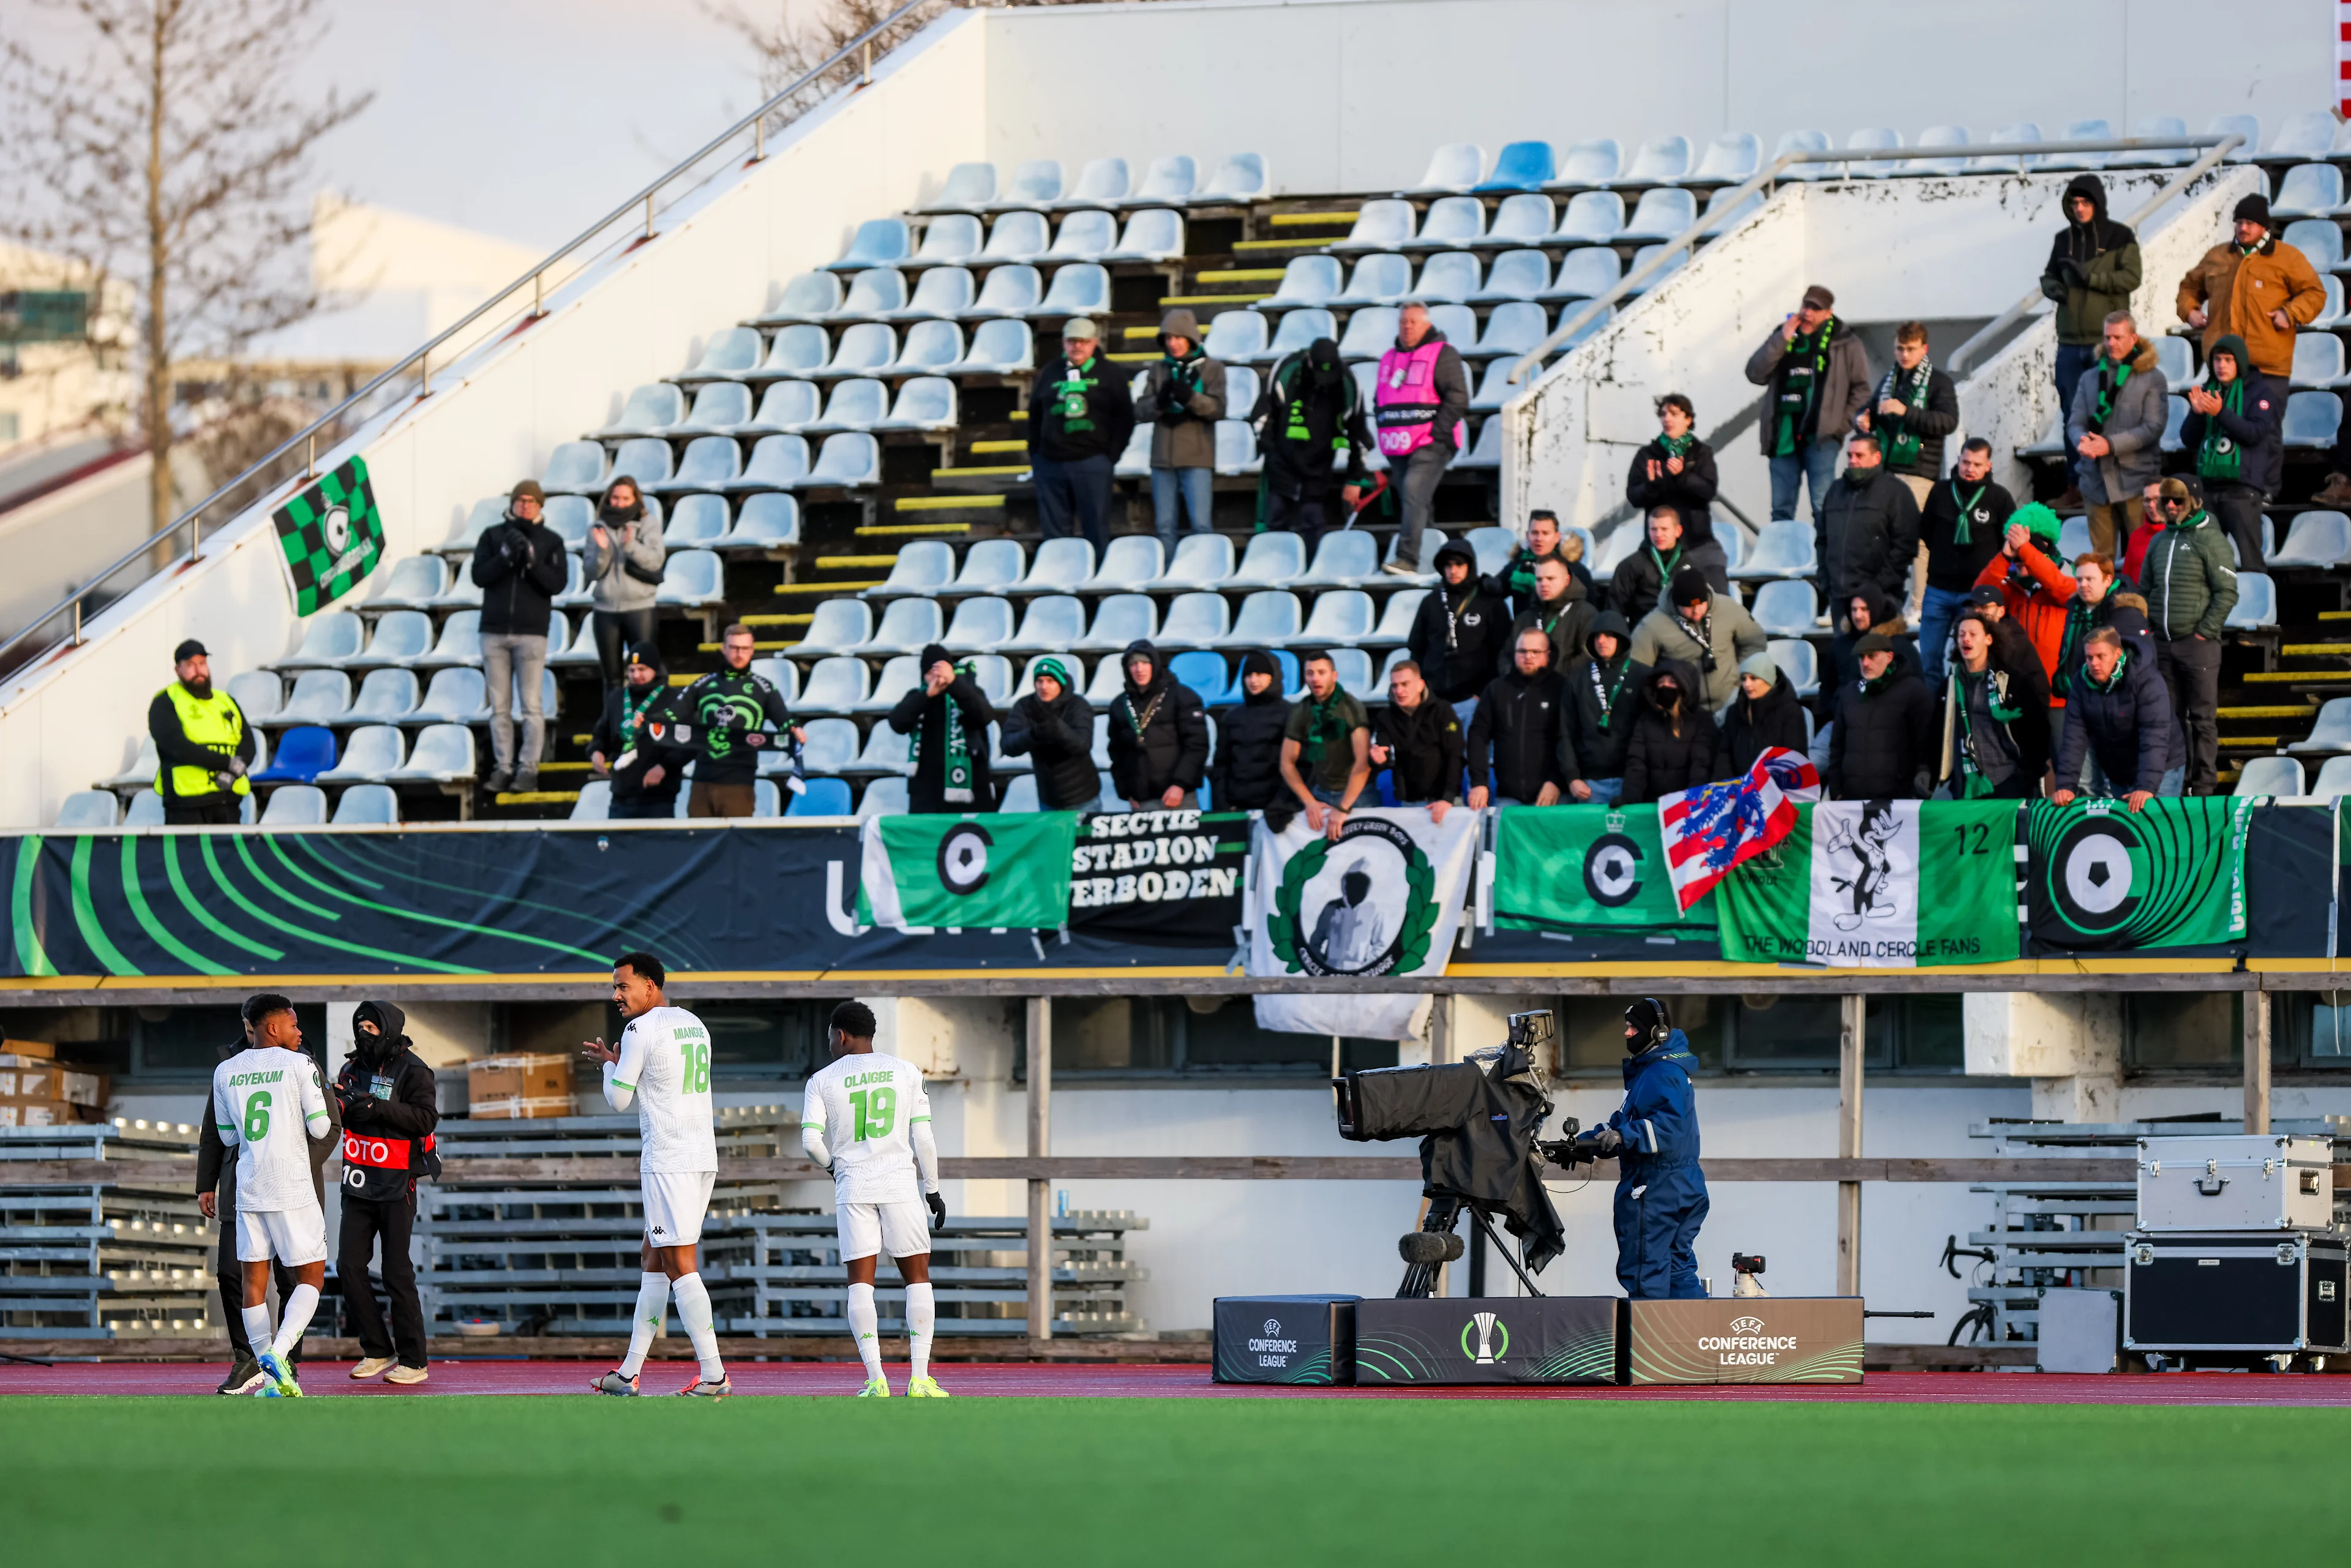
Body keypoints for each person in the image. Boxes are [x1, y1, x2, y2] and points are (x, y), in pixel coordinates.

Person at [584, 953, 730, 1397]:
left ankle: (714, 1374)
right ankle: (627, 1374)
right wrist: (621, 1059)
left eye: (622, 986)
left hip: (669, 1157)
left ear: (650, 985)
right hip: (702, 1153)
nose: (616, 995)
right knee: (654, 1255)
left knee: (679, 1264)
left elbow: (619, 1099)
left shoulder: (638, 1029)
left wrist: (609, 1065)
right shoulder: (694, 1023)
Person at [800, 1000, 950, 1398]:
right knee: (918, 1278)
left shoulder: (821, 1080)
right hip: (900, 1183)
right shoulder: (907, 1071)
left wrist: (834, 1167)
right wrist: (932, 1188)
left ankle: (876, 1379)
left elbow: (811, 1142)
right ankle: (919, 1379)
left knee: (860, 1284)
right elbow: (925, 1139)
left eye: (830, 1036)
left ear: (841, 1035)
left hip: (854, 1186)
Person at [210, 992, 336, 1397]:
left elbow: (228, 1135)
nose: (300, 1031)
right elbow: (321, 1128)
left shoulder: (225, 1070)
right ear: (273, 1027)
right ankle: (279, 1354)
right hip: (292, 1183)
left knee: (253, 1281)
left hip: (248, 1184)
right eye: (294, 1024)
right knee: (311, 1276)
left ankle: (266, 1376)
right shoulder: (301, 1064)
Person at [1569, 999, 1708, 1300]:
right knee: (1677, 1270)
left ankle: (1646, 1345)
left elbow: (1667, 1128)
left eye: (1633, 1027)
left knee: (1647, 1273)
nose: (1627, 1033)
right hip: (1680, 1185)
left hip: (1657, 1188)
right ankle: (1696, 1342)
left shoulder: (1661, 1073)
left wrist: (1622, 1137)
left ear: (1657, 1033)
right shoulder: (1657, 1070)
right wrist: (1583, 1145)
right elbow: (1622, 1125)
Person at [332, 1000, 438, 1386]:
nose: (364, 1032)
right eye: (360, 1026)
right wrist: (351, 1104)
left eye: (372, 1027)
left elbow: (425, 1119)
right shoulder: (350, 1067)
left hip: (398, 1183)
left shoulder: (414, 1070)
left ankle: (414, 1361)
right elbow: (341, 1110)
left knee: (396, 1272)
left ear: (389, 1029)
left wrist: (375, 1107)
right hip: (358, 1181)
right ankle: (377, 1349)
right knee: (348, 1267)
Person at [2139, 476, 2237, 795]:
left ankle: (2205, 785)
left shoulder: (2212, 540)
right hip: (2163, 646)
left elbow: (2227, 593)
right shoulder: (2159, 541)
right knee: (2169, 719)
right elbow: (2145, 589)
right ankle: (2177, 784)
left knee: (2202, 719)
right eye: (2165, 500)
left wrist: (2203, 633)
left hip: (2198, 647)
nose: (2168, 506)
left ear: (2194, 501)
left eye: (2176, 501)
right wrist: (2149, 630)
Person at [470, 478, 569, 793]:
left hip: (531, 632)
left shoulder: (552, 541)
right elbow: (479, 576)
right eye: (520, 500)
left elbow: (556, 584)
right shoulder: (491, 535)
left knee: (531, 706)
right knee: (499, 707)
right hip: (494, 631)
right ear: (512, 503)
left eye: (531, 501)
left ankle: (528, 769)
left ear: (541, 505)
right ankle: (503, 767)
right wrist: (503, 557)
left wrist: (531, 559)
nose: (525, 505)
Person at [1745, 283, 1871, 525]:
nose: (1808, 314)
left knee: (1823, 507)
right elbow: (1755, 373)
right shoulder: (1782, 334)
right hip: (1783, 436)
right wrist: (1781, 339)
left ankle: (1826, 561)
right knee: (1781, 510)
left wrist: (1839, 425)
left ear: (1828, 313)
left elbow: (1862, 389)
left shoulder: (1846, 342)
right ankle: (1782, 561)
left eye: (1816, 309)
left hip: (1823, 437)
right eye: (1806, 306)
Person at [2041, 173, 2143, 456]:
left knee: (2112, 413)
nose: (2079, 208)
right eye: (2074, 203)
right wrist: (2055, 290)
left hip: (2108, 344)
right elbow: (2048, 276)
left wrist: (2092, 278)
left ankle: (2111, 482)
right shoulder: (2063, 239)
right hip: (2070, 345)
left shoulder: (2121, 236)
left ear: (2097, 203)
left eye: (2086, 202)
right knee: (2073, 416)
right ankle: (2077, 483)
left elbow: (2132, 278)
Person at [2177, 193, 2326, 383]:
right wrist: (2190, 311)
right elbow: (2189, 287)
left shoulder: (2289, 257)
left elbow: (2315, 293)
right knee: (2219, 414)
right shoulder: (2216, 256)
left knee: (2258, 415)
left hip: (2268, 369)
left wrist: (2290, 314)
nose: (2243, 228)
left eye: (2249, 223)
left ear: (2264, 226)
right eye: (2239, 222)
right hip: (2222, 367)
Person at [1372, 300, 1471, 576]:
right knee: (1415, 500)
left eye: (1413, 322)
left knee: (1414, 491)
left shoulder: (1444, 354)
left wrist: (1437, 433)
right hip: (1398, 444)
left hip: (1431, 442)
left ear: (1426, 324)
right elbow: (1379, 398)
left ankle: (1408, 558)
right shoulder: (1389, 358)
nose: (1407, 327)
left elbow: (1459, 397)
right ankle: (1432, 560)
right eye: (1403, 322)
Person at [2065, 311, 2168, 561]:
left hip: (2136, 481)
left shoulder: (2152, 378)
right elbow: (2075, 421)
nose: (2111, 343)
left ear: (2133, 338)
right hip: (2095, 480)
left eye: (2118, 337)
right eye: (2107, 337)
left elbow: (2153, 427)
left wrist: (2109, 446)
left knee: (2145, 558)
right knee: (2100, 561)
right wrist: (2083, 441)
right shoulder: (2090, 378)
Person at [2178, 332, 2283, 572]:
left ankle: (2257, 608)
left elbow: (2255, 433)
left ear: (2240, 363)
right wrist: (2197, 414)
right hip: (2209, 489)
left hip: (2242, 490)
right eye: (2217, 360)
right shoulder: (2207, 390)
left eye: (2228, 360)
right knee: (2207, 562)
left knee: (2251, 561)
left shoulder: (2260, 392)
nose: (2221, 366)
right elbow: (2188, 439)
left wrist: (2220, 413)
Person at [1028, 316, 1134, 551]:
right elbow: (1035, 415)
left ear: (1094, 343)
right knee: (1055, 533)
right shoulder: (1050, 372)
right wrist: (1036, 455)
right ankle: (1059, 580)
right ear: (1064, 343)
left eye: (1083, 342)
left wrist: (1110, 456)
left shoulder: (1110, 373)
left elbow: (1125, 417)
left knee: (1095, 528)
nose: (1077, 347)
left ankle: (1096, 580)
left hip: (1092, 461)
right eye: (1072, 341)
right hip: (1050, 463)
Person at [1253, 335, 1368, 546]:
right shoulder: (1287, 370)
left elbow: (1359, 435)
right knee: (1276, 520)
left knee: (1313, 520)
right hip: (1281, 462)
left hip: (1319, 465)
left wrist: (1355, 479)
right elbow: (1262, 416)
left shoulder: (1348, 383)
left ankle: (1313, 572)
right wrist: (1271, 454)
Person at [2053, 628, 2186, 809]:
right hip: (2119, 770)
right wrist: (2066, 786)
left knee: (2157, 831)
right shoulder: (2081, 683)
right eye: (2090, 658)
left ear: (2118, 653)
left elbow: (2155, 735)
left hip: (2163, 768)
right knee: (2127, 834)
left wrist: (2146, 787)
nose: (2094, 664)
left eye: (2101, 656)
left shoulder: (2147, 679)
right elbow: (2073, 737)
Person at [1917, 438, 2014, 684]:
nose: (1970, 469)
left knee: (1971, 659)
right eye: (1966, 462)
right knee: (1929, 657)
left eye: (1977, 464)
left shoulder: (1999, 497)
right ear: (1958, 461)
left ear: (1988, 466)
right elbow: (1926, 531)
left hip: (1976, 595)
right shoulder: (1940, 491)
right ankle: (1936, 715)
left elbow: (2010, 542)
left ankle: (1965, 709)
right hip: (1938, 589)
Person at [678, 625, 798, 817]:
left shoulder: (764, 688)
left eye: (744, 649)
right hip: (702, 781)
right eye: (734, 648)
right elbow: (673, 714)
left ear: (752, 651)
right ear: (723, 649)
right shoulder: (703, 684)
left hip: (739, 783)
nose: (739, 654)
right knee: (698, 843)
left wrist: (795, 730)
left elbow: (784, 721)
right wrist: (647, 721)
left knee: (734, 845)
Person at [1134, 307, 1226, 552]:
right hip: (1163, 459)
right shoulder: (1158, 369)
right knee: (1164, 527)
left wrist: (1190, 398)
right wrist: (1159, 403)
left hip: (1197, 457)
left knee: (1201, 525)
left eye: (1178, 337)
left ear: (1190, 338)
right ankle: (1167, 576)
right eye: (1168, 338)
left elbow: (1218, 409)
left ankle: (1203, 573)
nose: (1172, 344)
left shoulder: (1212, 368)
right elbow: (1141, 412)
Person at [1628, 568, 1768, 713]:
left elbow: (1754, 642)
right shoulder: (1652, 625)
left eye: (1701, 604)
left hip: (1731, 702)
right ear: (1676, 603)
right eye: (1689, 607)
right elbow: (1637, 669)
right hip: (1684, 711)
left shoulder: (1729, 608)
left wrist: (1741, 679)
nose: (1696, 611)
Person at [1973, 502, 2077, 694]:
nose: (2020, 562)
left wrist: (2027, 551)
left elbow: (2061, 589)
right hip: (2017, 692)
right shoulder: (2011, 585)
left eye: (2026, 553)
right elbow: (1980, 594)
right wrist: (2004, 557)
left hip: (2057, 693)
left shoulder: (2071, 576)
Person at [1939, 613, 2046, 799]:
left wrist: (2028, 775)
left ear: (1989, 639)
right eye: (1962, 635)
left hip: (2010, 780)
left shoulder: (2013, 681)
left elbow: (2039, 729)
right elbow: (1937, 733)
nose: (1966, 639)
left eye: (1973, 634)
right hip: (1967, 784)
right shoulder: (1948, 686)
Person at [148, 638, 253, 825]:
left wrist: (233, 773)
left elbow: (248, 744)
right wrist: (228, 764)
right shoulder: (165, 701)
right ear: (177, 670)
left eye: (202, 664)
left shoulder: (226, 700)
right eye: (190, 665)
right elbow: (177, 746)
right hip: (186, 804)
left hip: (228, 800)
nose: (199, 671)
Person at [1854, 321, 1959, 508]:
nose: (1904, 355)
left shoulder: (1940, 382)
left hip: (1919, 474)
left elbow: (1949, 422)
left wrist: (1906, 412)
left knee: (1912, 534)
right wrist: (1863, 420)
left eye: (1911, 349)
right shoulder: (1889, 381)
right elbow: (1868, 409)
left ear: (1924, 349)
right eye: (1899, 349)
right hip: (1884, 471)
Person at [1817, 429, 1921, 612]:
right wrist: (1826, 582)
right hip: (1839, 598)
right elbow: (1822, 540)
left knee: (1878, 643)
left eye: (1859, 455)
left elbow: (1905, 546)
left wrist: (1876, 588)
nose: (1852, 460)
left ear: (1877, 458)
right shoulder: (1835, 491)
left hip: (1881, 599)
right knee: (1843, 643)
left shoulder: (1896, 492)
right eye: (1850, 455)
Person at [1466, 628, 1570, 808]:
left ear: (1547, 655)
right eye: (1522, 651)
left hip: (1554, 796)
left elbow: (1569, 739)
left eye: (1535, 652)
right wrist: (1479, 782)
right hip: (1509, 798)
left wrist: (1557, 781)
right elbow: (1477, 735)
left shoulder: (1562, 688)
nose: (1528, 657)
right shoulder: (1497, 689)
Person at [1826, 632, 1935, 800]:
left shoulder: (1914, 691)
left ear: (1890, 657)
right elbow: (1837, 745)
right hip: (1851, 798)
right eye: (1861, 657)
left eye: (1872, 656)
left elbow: (1926, 743)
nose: (1865, 663)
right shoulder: (1849, 693)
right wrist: (1836, 790)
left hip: (1898, 800)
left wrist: (1920, 781)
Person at [581, 475, 664, 690]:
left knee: (646, 673)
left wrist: (631, 546)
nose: (619, 503)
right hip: (605, 610)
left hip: (640, 608)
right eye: (615, 498)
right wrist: (602, 550)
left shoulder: (648, 524)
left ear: (635, 499)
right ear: (608, 499)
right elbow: (590, 572)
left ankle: (647, 720)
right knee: (612, 678)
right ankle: (614, 722)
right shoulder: (597, 527)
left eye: (625, 498)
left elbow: (655, 561)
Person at [890, 645, 996, 812]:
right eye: (931, 671)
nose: (936, 676)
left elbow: (984, 716)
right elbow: (897, 723)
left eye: (940, 670)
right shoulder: (916, 697)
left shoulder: (969, 692)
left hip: (971, 793)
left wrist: (954, 685)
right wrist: (927, 696)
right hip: (927, 795)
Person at [1409, 539, 1512, 713]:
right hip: (1434, 699)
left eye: (1459, 564)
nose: (1453, 571)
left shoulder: (1490, 602)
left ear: (1470, 566)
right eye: (1448, 565)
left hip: (1475, 699)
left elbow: (1504, 650)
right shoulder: (1430, 602)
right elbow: (1417, 649)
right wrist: (1422, 690)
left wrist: (1484, 692)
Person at [1106, 640, 1209, 810]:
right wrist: (1127, 792)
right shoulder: (1119, 704)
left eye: (1145, 663)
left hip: (1178, 797)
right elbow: (1117, 753)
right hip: (1141, 800)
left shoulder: (1183, 696)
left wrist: (1180, 784)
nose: (1139, 669)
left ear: (1155, 664)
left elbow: (1197, 746)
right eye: (1134, 664)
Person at [589, 643, 689, 819]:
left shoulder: (674, 698)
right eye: (631, 670)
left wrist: (664, 767)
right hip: (621, 796)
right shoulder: (617, 698)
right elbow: (602, 734)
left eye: (642, 669)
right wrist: (596, 752)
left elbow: (686, 742)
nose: (636, 675)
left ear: (655, 669)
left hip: (658, 799)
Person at [1279, 650, 1372, 838]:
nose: (1315, 679)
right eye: (1310, 673)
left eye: (1321, 673)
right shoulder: (1302, 709)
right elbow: (1286, 763)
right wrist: (1309, 801)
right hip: (1321, 792)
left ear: (1334, 676)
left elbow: (1363, 764)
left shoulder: (1351, 707)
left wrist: (1343, 808)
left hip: (1357, 795)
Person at [1624, 394, 1723, 565]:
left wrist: (1683, 476)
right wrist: (1652, 486)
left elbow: (1708, 491)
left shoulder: (1701, 452)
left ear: (1688, 419)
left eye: (1674, 414)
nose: (1667, 419)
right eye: (1663, 414)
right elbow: (1634, 496)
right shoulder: (1647, 454)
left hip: (1697, 544)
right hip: (1657, 546)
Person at [1560, 610, 1645, 803]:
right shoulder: (1576, 679)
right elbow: (1565, 732)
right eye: (1597, 636)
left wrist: (1642, 779)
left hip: (1633, 781)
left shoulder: (1642, 676)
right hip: (1590, 785)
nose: (1602, 641)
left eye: (1609, 635)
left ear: (1621, 638)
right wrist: (1572, 777)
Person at [999, 657, 1096, 811]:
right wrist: (1034, 734)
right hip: (1049, 798)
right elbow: (1008, 745)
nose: (1044, 687)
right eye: (1040, 681)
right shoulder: (1025, 706)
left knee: (1084, 836)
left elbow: (1083, 745)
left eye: (1050, 681)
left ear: (1061, 683)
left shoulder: (1078, 706)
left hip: (1083, 797)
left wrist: (1055, 727)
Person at [1205, 650, 1293, 823]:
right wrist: (1223, 804)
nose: (1253, 680)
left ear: (1273, 676)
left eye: (1260, 674)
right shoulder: (1232, 717)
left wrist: (1280, 805)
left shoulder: (1291, 714)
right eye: (1249, 675)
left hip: (1276, 815)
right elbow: (1221, 765)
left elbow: (1298, 766)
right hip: (1235, 812)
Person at [1370, 660, 1462, 820]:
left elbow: (1456, 755)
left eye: (1405, 684)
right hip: (1410, 803)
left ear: (1420, 685)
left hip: (1446, 802)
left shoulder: (1443, 711)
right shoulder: (1385, 717)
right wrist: (1378, 759)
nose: (1399, 691)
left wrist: (1448, 798)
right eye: (1395, 685)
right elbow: (1382, 752)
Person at [1621, 660, 1722, 804]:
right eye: (1661, 682)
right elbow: (1637, 763)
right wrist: (1630, 798)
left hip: (1685, 805)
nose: (1665, 686)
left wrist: (1692, 801)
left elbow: (1701, 766)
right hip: (1652, 804)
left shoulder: (1701, 720)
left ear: (1684, 685)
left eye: (1672, 681)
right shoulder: (1646, 720)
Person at [1611, 505, 1724, 625]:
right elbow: (1615, 608)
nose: (1658, 535)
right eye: (1653, 529)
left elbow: (1706, 604)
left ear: (1678, 531)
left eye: (1664, 529)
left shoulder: (1693, 565)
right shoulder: (1630, 565)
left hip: (1683, 631)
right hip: (1644, 629)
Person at [1821, 587, 1919, 718]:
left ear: (1876, 609)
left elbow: (1917, 690)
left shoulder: (1899, 646)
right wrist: (1834, 712)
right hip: (1840, 720)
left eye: (1864, 609)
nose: (1857, 616)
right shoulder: (1840, 645)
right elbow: (1827, 687)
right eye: (1854, 609)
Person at [1508, 555, 1599, 677]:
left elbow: (1589, 656)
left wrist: (1556, 679)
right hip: (1527, 689)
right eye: (1539, 579)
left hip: (1566, 689)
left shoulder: (1586, 614)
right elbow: (1507, 655)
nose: (1544, 584)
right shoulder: (1526, 617)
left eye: (1550, 579)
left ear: (1567, 580)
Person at [1721, 651, 1807, 776]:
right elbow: (1725, 755)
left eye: (1754, 678)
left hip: (1777, 789)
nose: (1747, 684)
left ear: (1769, 680)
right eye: (1744, 679)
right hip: (1739, 788)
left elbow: (1794, 759)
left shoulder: (1790, 712)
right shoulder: (1735, 712)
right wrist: (1723, 787)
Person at [2052, 553, 2122, 706]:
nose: (2083, 584)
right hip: (2077, 696)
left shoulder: (2123, 610)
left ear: (2108, 580)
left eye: (2090, 579)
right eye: (2079, 580)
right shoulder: (2074, 608)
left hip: (2111, 701)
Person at [1489, 509, 1582, 605]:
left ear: (1557, 537)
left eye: (1545, 533)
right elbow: (1493, 592)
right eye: (1535, 533)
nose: (1539, 539)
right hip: (1525, 620)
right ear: (1527, 535)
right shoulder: (1517, 565)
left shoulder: (1573, 569)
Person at [2121, 475, 2169, 585]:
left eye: (2157, 499)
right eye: (2147, 500)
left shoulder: (2184, 534)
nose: (2152, 505)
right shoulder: (2136, 536)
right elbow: (2126, 579)